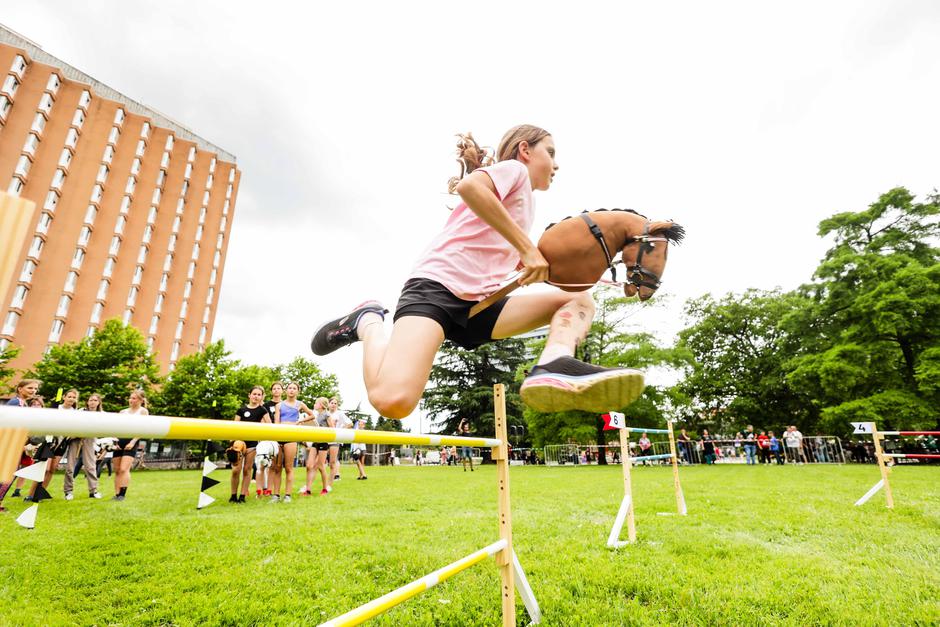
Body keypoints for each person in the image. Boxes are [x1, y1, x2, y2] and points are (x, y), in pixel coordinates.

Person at [311, 126, 652, 421]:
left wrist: (534, 262)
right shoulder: (513, 172)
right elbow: (470, 188)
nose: (556, 163)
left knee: (578, 298)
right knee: (393, 403)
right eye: (550, 152)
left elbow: (498, 248)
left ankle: (555, 362)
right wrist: (526, 249)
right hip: (438, 287)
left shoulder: (524, 205)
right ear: (525, 150)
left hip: (481, 303)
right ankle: (368, 323)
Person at [272, 382, 314, 502]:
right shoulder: (279, 405)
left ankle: (287, 495)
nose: (291, 390)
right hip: (279, 435)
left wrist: (300, 421)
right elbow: (276, 422)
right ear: (286, 390)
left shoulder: (300, 404)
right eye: (290, 388)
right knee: (277, 467)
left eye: (294, 388)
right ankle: (276, 495)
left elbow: (312, 415)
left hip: (291, 436)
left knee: (289, 467)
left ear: (297, 391)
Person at [230, 386, 269, 503]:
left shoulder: (263, 410)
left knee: (247, 470)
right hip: (239, 442)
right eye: (254, 394)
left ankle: (242, 496)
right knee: (236, 470)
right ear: (249, 395)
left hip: (253, 444)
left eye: (259, 395)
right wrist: (232, 443)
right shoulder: (241, 410)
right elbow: (234, 427)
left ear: (262, 397)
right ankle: (233, 496)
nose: (256, 396)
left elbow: (270, 425)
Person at [64, 393, 103, 500]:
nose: (92, 402)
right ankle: (68, 492)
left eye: (95, 400)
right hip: (75, 439)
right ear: (87, 402)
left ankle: (93, 491)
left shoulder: (101, 414)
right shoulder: (81, 411)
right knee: (70, 466)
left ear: (98, 402)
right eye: (90, 400)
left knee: (90, 466)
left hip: (90, 439)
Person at [113, 390, 148, 501]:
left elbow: (143, 428)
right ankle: (117, 494)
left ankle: (123, 494)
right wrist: (115, 442)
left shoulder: (143, 411)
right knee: (117, 469)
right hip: (120, 440)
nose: (131, 400)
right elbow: (116, 427)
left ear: (141, 400)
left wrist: (133, 442)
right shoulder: (122, 412)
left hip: (132, 440)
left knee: (124, 469)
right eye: (130, 398)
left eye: (134, 398)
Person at [300, 397, 331, 496]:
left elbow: (332, 429)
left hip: (323, 442)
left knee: (320, 466)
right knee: (309, 465)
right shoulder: (316, 415)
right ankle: (308, 490)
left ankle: (325, 489)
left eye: (316, 403)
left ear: (321, 405)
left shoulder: (327, 415)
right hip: (315, 442)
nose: (314, 405)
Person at [262, 382, 285, 497]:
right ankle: (268, 489)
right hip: (270, 435)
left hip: (284, 436)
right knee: (271, 464)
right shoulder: (266, 405)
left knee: (279, 465)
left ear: (282, 390)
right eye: (274, 388)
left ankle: (278, 490)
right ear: (271, 391)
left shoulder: (286, 404)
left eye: (278, 388)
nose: (276, 390)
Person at [328, 397, 351, 482]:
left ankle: (336, 475)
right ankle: (332, 474)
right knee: (329, 459)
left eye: (335, 403)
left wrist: (340, 430)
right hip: (326, 438)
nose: (333, 405)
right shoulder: (326, 413)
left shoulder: (340, 414)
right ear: (328, 404)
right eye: (332, 403)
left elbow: (349, 423)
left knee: (334, 459)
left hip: (336, 439)